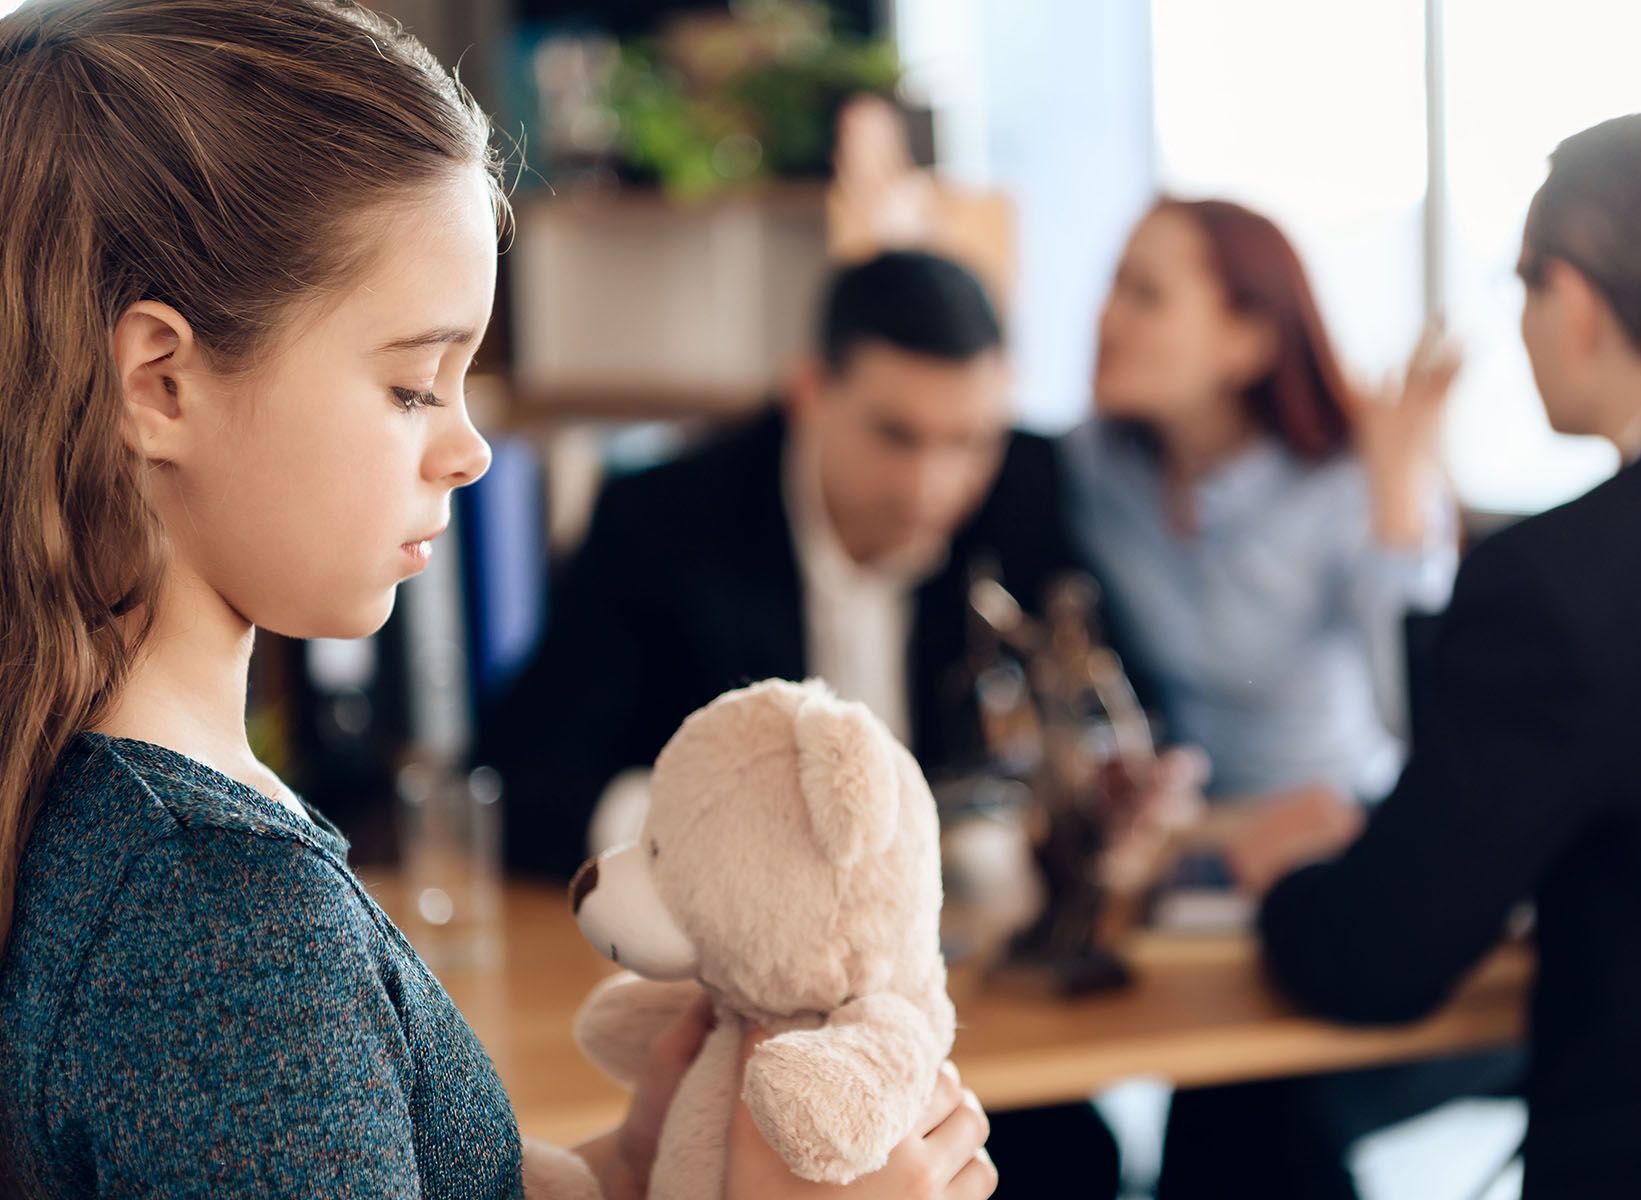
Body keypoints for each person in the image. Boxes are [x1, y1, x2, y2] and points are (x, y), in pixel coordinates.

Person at [0, 3, 995, 1197]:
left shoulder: (142, 812)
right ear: (160, 382)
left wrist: (629, 1168)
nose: (469, 448)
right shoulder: (225, 928)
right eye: (415, 384)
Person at [1249, 107, 1641, 1198]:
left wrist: (1286, 878)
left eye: (1521, 286)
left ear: (1578, 302)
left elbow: (1379, 961)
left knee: (1255, 1129)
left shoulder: (1557, 583)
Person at [1056, 198, 1515, 1199]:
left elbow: (1418, 721)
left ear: (1247, 339)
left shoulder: (1349, 480)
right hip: (1176, 859)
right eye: (1110, 286)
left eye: (1146, 294)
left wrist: (1400, 498)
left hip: (1323, 851)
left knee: (1248, 1127)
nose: (1105, 318)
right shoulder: (1095, 469)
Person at [486, 251, 1092, 880]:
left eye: (970, 440)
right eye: (896, 435)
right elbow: (527, 781)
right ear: (809, 391)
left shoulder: (1027, 488)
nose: (932, 488)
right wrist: (703, 829)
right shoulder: (661, 522)